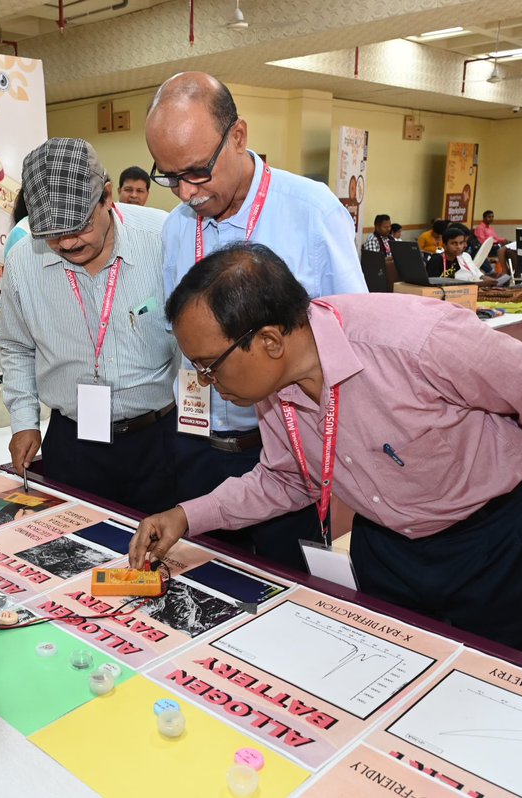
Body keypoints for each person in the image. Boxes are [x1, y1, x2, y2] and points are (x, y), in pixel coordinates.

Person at [130, 242, 522, 663]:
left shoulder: (419, 340)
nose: (207, 382)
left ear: (269, 341)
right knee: (394, 678)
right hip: (388, 545)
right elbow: (286, 479)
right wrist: (186, 516)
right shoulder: (273, 387)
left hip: (498, 542)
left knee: (503, 686)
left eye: (210, 366)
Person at [145, 71, 366, 571]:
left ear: (238, 136)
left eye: (197, 171)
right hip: (198, 446)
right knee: (205, 586)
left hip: (287, 456)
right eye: (169, 176)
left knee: (286, 593)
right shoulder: (178, 229)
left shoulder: (311, 212)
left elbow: (351, 338)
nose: (184, 193)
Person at [0, 138, 177, 514]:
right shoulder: (22, 263)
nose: (65, 242)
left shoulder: (164, 239)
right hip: (72, 441)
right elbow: (16, 347)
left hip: (159, 439)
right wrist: (23, 420)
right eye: (51, 232)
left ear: (108, 197)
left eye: (78, 226)